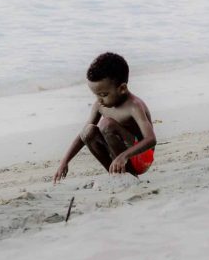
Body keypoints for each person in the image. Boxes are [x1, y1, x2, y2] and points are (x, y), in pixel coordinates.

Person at [52, 52, 157, 184]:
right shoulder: (99, 105)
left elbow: (151, 139)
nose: (99, 100)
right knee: (88, 131)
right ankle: (116, 175)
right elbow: (82, 136)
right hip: (120, 158)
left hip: (142, 158)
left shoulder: (134, 106)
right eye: (96, 95)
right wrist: (65, 161)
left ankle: (130, 176)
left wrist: (124, 156)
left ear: (122, 88)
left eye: (103, 94)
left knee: (106, 124)